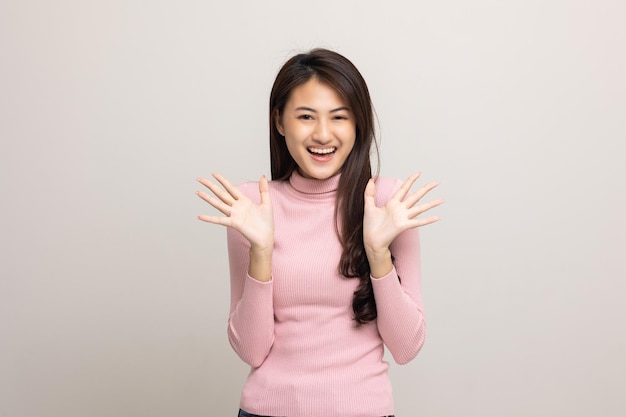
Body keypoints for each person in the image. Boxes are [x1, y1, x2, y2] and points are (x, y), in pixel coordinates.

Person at [196, 48, 443, 417]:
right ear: (279, 122)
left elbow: (406, 346)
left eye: (339, 117)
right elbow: (251, 349)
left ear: (357, 123)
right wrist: (260, 252)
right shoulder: (252, 207)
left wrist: (378, 256)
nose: (323, 134)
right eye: (306, 116)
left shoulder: (387, 204)